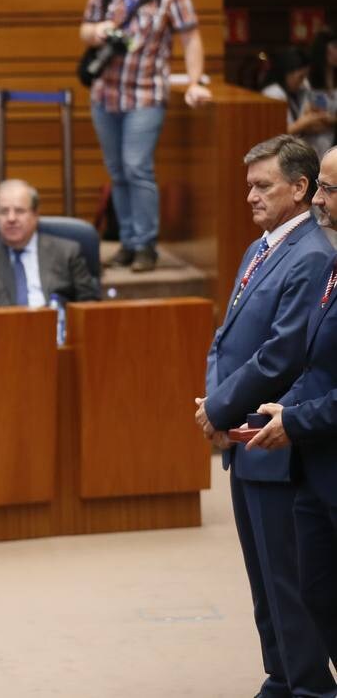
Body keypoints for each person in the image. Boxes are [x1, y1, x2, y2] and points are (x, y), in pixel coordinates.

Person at [190, 136, 335, 697]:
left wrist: (221, 410)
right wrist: (215, 405)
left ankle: (309, 688)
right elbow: (224, 341)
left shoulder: (313, 255)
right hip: (240, 434)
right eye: (247, 185)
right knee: (262, 578)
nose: (249, 196)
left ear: (300, 189)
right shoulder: (260, 249)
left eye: (262, 185)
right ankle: (280, 676)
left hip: (275, 439)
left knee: (290, 580)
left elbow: (282, 354)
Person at [246, 144, 337, 667]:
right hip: (315, 462)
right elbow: (315, 360)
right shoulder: (334, 260)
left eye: (328, 189)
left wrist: (295, 418)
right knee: (318, 593)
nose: (319, 200)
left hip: (323, 446)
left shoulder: (317, 254)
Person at [79, 0, 211, 273]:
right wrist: (98, 31)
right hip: (105, 95)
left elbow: (191, 37)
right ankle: (129, 241)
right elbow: (85, 29)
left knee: (137, 167)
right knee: (117, 171)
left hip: (146, 94)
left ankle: (147, 246)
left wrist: (196, 80)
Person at [0, 179, 100, 308]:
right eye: (3, 211)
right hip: (3, 331)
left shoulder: (67, 252)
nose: (11, 218)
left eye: (19, 211)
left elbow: (90, 305)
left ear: (35, 214)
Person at [262, 45, 332, 158]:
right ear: (287, 73)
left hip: (300, 151)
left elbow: (310, 113)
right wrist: (304, 122)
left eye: (305, 76)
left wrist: (315, 118)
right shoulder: (273, 93)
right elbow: (274, 134)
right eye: (300, 76)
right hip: (280, 154)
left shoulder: (302, 87)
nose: (303, 80)